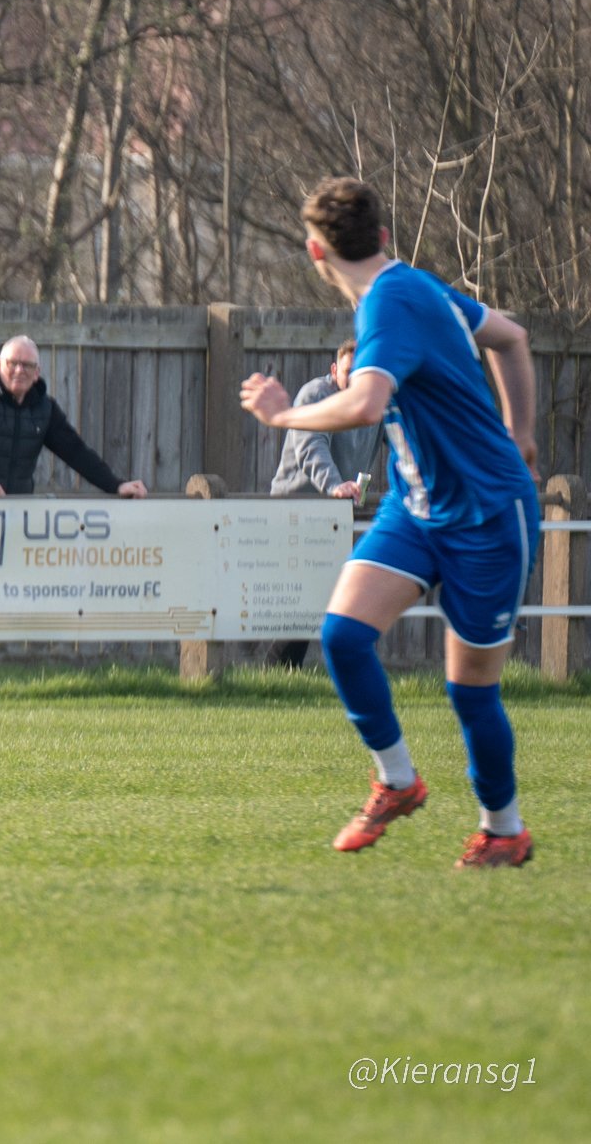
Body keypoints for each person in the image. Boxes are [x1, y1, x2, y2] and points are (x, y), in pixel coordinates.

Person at [240, 176, 540, 869]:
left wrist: (283, 415)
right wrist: (521, 429)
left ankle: (504, 828)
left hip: (487, 515)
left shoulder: (391, 304)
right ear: (382, 235)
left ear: (315, 250)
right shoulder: (418, 287)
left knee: (470, 690)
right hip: (418, 504)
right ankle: (397, 780)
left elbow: (367, 404)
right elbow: (513, 338)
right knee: (343, 635)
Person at [0, 335, 148, 693]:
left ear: (38, 372)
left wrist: (115, 484)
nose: (18, 370)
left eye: (26, 365)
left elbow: (75, 451)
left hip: (8, 520)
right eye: (12, 363)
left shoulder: (42, 409)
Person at [267, 339, 383, 668]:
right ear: (334, 371)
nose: (356, 380)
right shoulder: (316, 395)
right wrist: (334, 485)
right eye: (349, 372)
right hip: (295, 512)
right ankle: (277, 673)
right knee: (305, 603)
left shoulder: (374, 405)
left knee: (321, 602)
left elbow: (407, 442)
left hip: (333, 516)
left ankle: (281, 676)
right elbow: (311, 448)